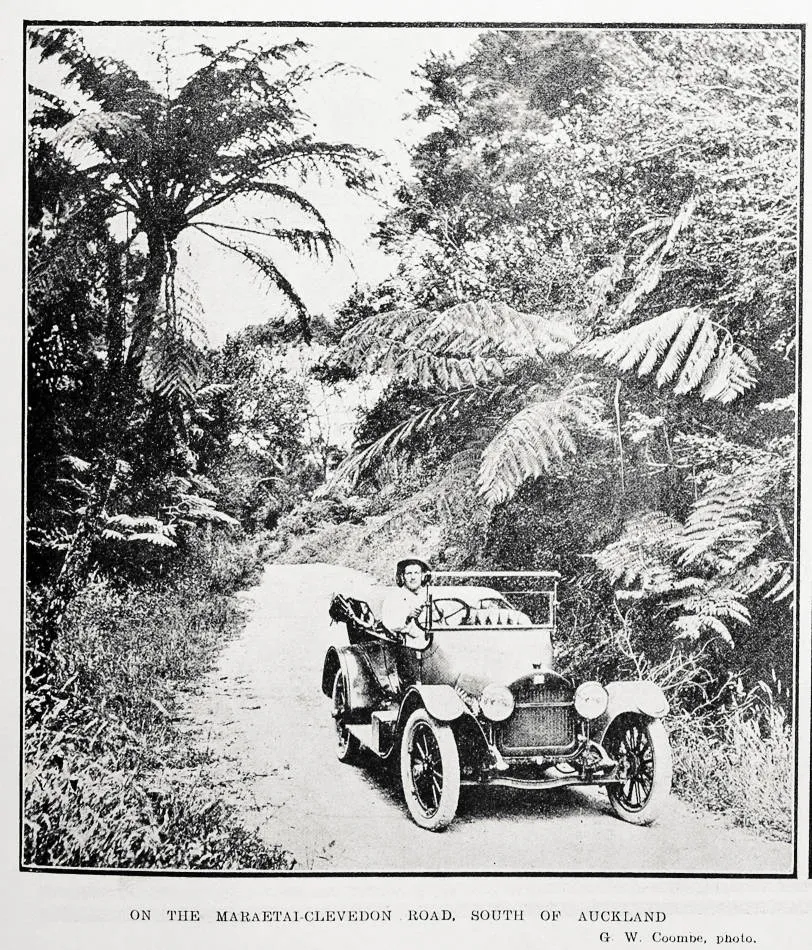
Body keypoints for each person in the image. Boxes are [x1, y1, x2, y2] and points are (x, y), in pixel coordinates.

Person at [380, 557, 431, 646]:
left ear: (422, 576)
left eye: (416, 573)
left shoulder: (427, 594)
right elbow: (389, 624)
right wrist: (408, 617)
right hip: (408, 646)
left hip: (431, 643)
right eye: (409, 573)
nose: (413, 577)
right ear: (402, 576)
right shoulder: (394, 597)